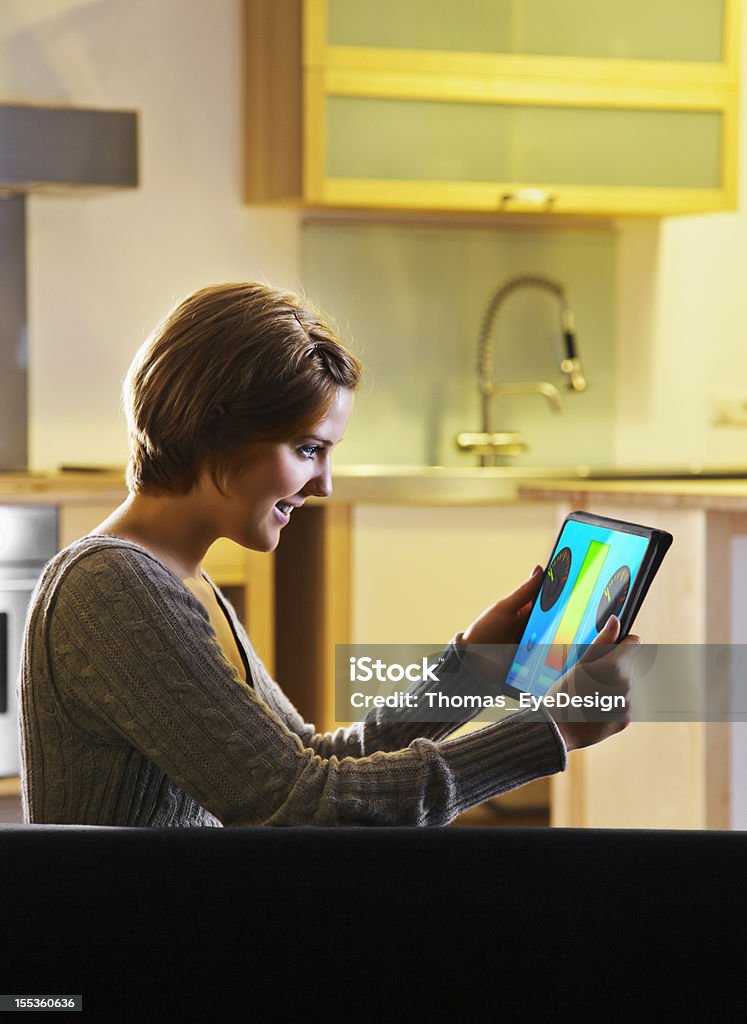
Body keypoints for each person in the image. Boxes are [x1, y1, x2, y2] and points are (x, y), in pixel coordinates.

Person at [19, 282, 639, 827]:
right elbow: (297, 801)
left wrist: (472, 670)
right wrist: (546, 733)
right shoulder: (114, 587)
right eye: (309, 449)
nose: (325, 486)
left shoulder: (176, 580)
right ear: (217, 431)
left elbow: (309, 764)